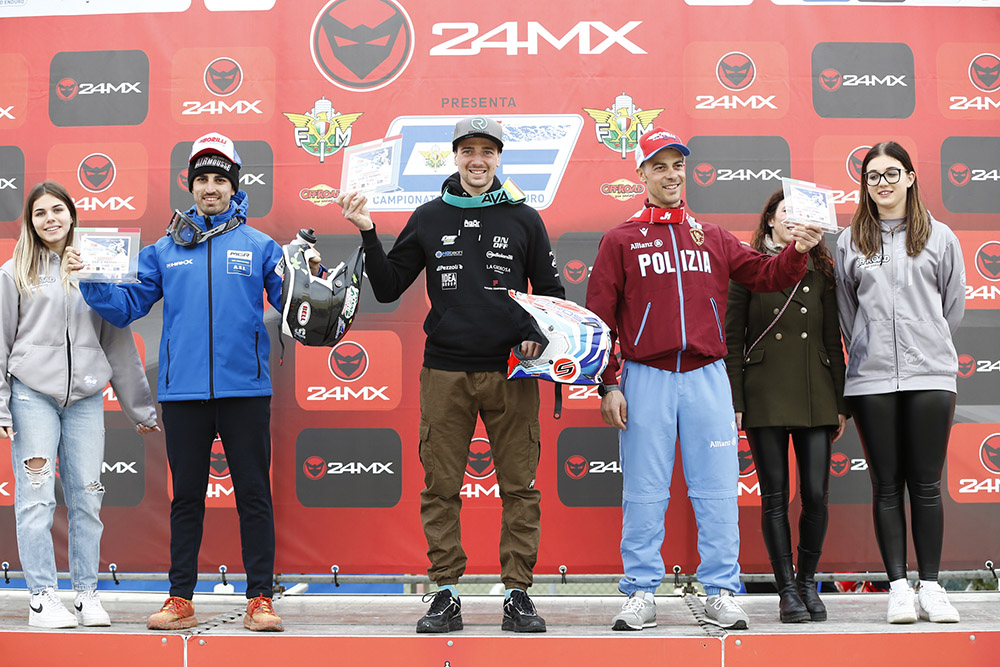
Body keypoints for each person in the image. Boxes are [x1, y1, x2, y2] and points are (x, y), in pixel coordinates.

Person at [585, 127, 824, 632]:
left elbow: (767, 275)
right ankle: (640, 592)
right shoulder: (620, 239)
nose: (671, 175)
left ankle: (721, 591)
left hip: (707, 376)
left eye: (678, 165)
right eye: (660, 166)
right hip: (646, 376)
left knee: (716, 491)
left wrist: (798, 251)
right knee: (645, 491)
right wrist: (608, 384)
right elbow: (600, 320)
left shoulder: (712, 236)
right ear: (642, 174)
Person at [337, 116, 564, 634]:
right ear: (455, 156)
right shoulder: (429, 216)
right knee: (440, 487)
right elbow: (388, 288)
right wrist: (368, 230)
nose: (477, 160)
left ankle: (518, 595)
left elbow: (553, 295)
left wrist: (536, 332)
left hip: (511, 373)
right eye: (468, 150)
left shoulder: (524, 218)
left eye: (487, 151)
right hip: (444, 370)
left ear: (499, 157)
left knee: (520, 488)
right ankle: (445, 593)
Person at [66, 132, 291, 632]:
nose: (210, 187)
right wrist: (92, 278)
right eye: (202, 179)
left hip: (245, 391)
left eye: (219, 179)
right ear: (189, 185)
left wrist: (311, 279)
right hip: (184, 393)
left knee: (254, 495)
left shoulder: (261, 246)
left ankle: (260, 599)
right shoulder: (163, 251)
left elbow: (295, 306)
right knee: (186, 498)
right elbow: (126, 307)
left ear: (234, 186)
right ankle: (180, 598)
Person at [0, 182, 158, 628]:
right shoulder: (14, 271)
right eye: (40, 213)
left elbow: (118, 342)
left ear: (72, 214)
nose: (50, 219)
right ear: (30, 222)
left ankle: (86, 594)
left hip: (86, 398)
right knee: (36, 499)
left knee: (88, 498)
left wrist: (139, 408)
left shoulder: (98, 266)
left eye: (57, 210)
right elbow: (1, 339)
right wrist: (1, 406)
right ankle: (42, 597)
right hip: (31, 395)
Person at [835, 141, 965, 624]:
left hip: (930, 374)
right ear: (864, 185)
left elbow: (952, 307)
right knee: (886, 486)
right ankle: (897, 589)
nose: (882, 183)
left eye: (892, 173)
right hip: (870, 380)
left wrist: (926, 341)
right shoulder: (850, 241)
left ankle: (930, 587)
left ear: (910, 178)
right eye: (873, 176)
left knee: (926, 486)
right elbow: (847, 313)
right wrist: (869, 348)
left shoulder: (940, 237)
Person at [724, 189, 848, 623]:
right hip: (764, 390)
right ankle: (786, 591)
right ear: (771, 222)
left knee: (815, 494)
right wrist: (736, 399)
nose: (794, 220)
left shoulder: (822, 269)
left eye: (800, 215)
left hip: (815, 391)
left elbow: (832, 339)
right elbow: (732, 339)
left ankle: (807, 583)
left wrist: (841, 401)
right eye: (785, 214)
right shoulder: (747, 266)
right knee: (774, 496)